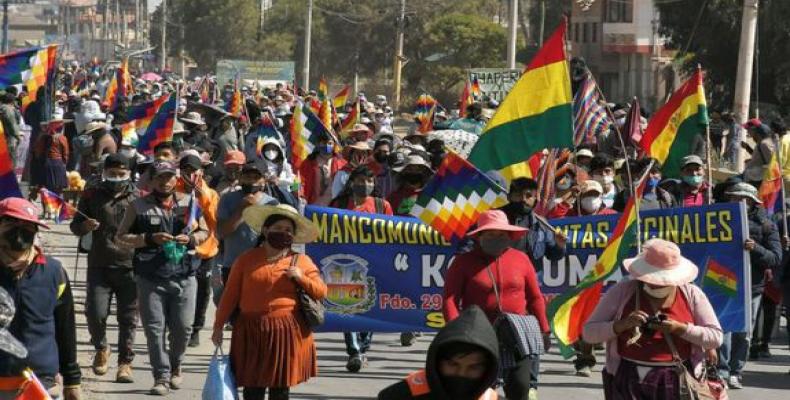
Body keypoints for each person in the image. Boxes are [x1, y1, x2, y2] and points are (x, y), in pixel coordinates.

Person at [212, 204, 327, 400]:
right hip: (250, 331)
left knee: (280, 389)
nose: (284, 233)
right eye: (279, 228)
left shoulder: (301, 261)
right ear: (265, 230)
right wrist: (218, 327)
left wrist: (300, 277)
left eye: (288, 230)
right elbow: (230, 296)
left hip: (287, 332)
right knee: (252, 388)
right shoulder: (246, 259)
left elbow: (321, 291)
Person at [583, 239, 723, 399]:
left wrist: (679, 328)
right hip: (628, 377)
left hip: (675, 379)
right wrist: (621, 325)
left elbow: (715, 337)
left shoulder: (691, 294)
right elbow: (589, 333)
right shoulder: (622, 291)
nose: (657, 284)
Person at [115, 160, 209, 395]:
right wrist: (148, 239)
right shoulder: (137, 206)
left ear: (176, 178)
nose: (165, 182)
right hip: (150, 277)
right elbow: (121, 237)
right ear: (152, 180)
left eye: (169, 177)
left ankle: (176, 365)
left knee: (183, 329)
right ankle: (161, 377)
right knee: (154, 330)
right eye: (160, 177)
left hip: (185, 274)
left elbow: (205, 231)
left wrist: (193, 239)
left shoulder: (190, 202)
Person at [443, 209, 549, 400]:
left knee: (520, 387)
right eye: (491, 234)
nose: (496, 238)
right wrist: (456, 334)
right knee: (481, 390)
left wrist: (544, 329)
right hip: (478, 335)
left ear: (509, 236)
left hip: (517, 334)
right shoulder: (463, 262)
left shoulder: (521, 259)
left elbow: (535, 298)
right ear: (480, 236)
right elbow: (449, 299)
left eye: (501, 234)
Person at [0, 198, 81, 400]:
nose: (20, 231)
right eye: (11, 223)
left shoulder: (54, 272)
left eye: (27, 225)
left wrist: (72, 379)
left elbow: (66, 328)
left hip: (41, 385)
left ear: (36, 231)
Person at [69, 153, 139, 383]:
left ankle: (125, 363)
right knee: (95, 313)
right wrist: (84, 225)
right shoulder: (92, 194)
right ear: (104, 173)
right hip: (99, 264)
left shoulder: (138, 197)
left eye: (121, 174)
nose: (117, 177)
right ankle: (101, 348)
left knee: (128, 318)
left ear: (128, 174)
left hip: (131, 267)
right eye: (112, 173)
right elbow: (76, 225)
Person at [717, 182, 781, 389]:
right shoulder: (717, 220)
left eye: (744, 199)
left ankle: (736, 371)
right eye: (735, 198)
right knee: (723, 329)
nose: (739, 202)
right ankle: (721, 370)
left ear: (753, 202)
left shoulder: (767, 225)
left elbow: (775, 257)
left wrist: (755, 249)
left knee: (744, 332)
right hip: (723, 282)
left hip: (752, 287)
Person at [330, 166, 393, 370]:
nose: (364, 184)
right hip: (345, 264)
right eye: (359, 180)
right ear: (351, 182)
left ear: (374, 184)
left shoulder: (382, 206)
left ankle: (363, 348)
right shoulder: (339, 204)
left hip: (374, 263)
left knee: (370, 308)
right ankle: (354, 351)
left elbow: (392, 234)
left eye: (369, 180)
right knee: (348, 308)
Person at [377, 306, 500, 400]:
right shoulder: (400, 395)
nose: (461, 374)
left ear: (487, 370)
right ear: (437, 361)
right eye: (453, 364)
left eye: (473, 367)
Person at [176, 154, 220, 348]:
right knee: (180, 289)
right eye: (185, 171)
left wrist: (202, 196)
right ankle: (179, 326)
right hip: (180, 248)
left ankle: (195, 329)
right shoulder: (174, 190)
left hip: (205, 249)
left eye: (193, 171)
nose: (190, 175)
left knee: (202, 291)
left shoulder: (210, 193)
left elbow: (214, 222)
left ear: (201, 172)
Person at [498, 178, 567, 271]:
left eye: (529, 196)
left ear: (536, 199)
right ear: (509, 197)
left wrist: (559, 245)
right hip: (500, 278)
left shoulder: (541, 224)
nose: (523, 199)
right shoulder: (494, 219)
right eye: (518, 195)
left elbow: (553, 256)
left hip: (530, 280)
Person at [299, 135, 346, 205]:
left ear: (334, 145)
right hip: (311, 206)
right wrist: (292, 189)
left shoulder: (341, 163)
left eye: (330, 143)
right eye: (323, 143)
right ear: (318, 143)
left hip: (333, 209)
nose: (327, 145)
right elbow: (298, 181)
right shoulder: (308, 162)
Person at [33, 117, 71, 196]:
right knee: (57, 189)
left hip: (46, 163)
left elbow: (38, 151)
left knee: (46, 188)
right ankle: (56, 204)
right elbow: (65, 154)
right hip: (58, 164)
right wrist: (64, 164)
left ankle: (47, 204)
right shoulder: (62, 138)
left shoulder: (43, 137)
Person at [741, 119, 774, 185]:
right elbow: (760, 156)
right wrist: (747, 148)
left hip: (756, 179)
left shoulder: (764, 144)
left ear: (755, 130)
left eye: (748, 129)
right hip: (752, 177)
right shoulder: (761, 143)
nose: (747, 132)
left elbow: (771, 163)